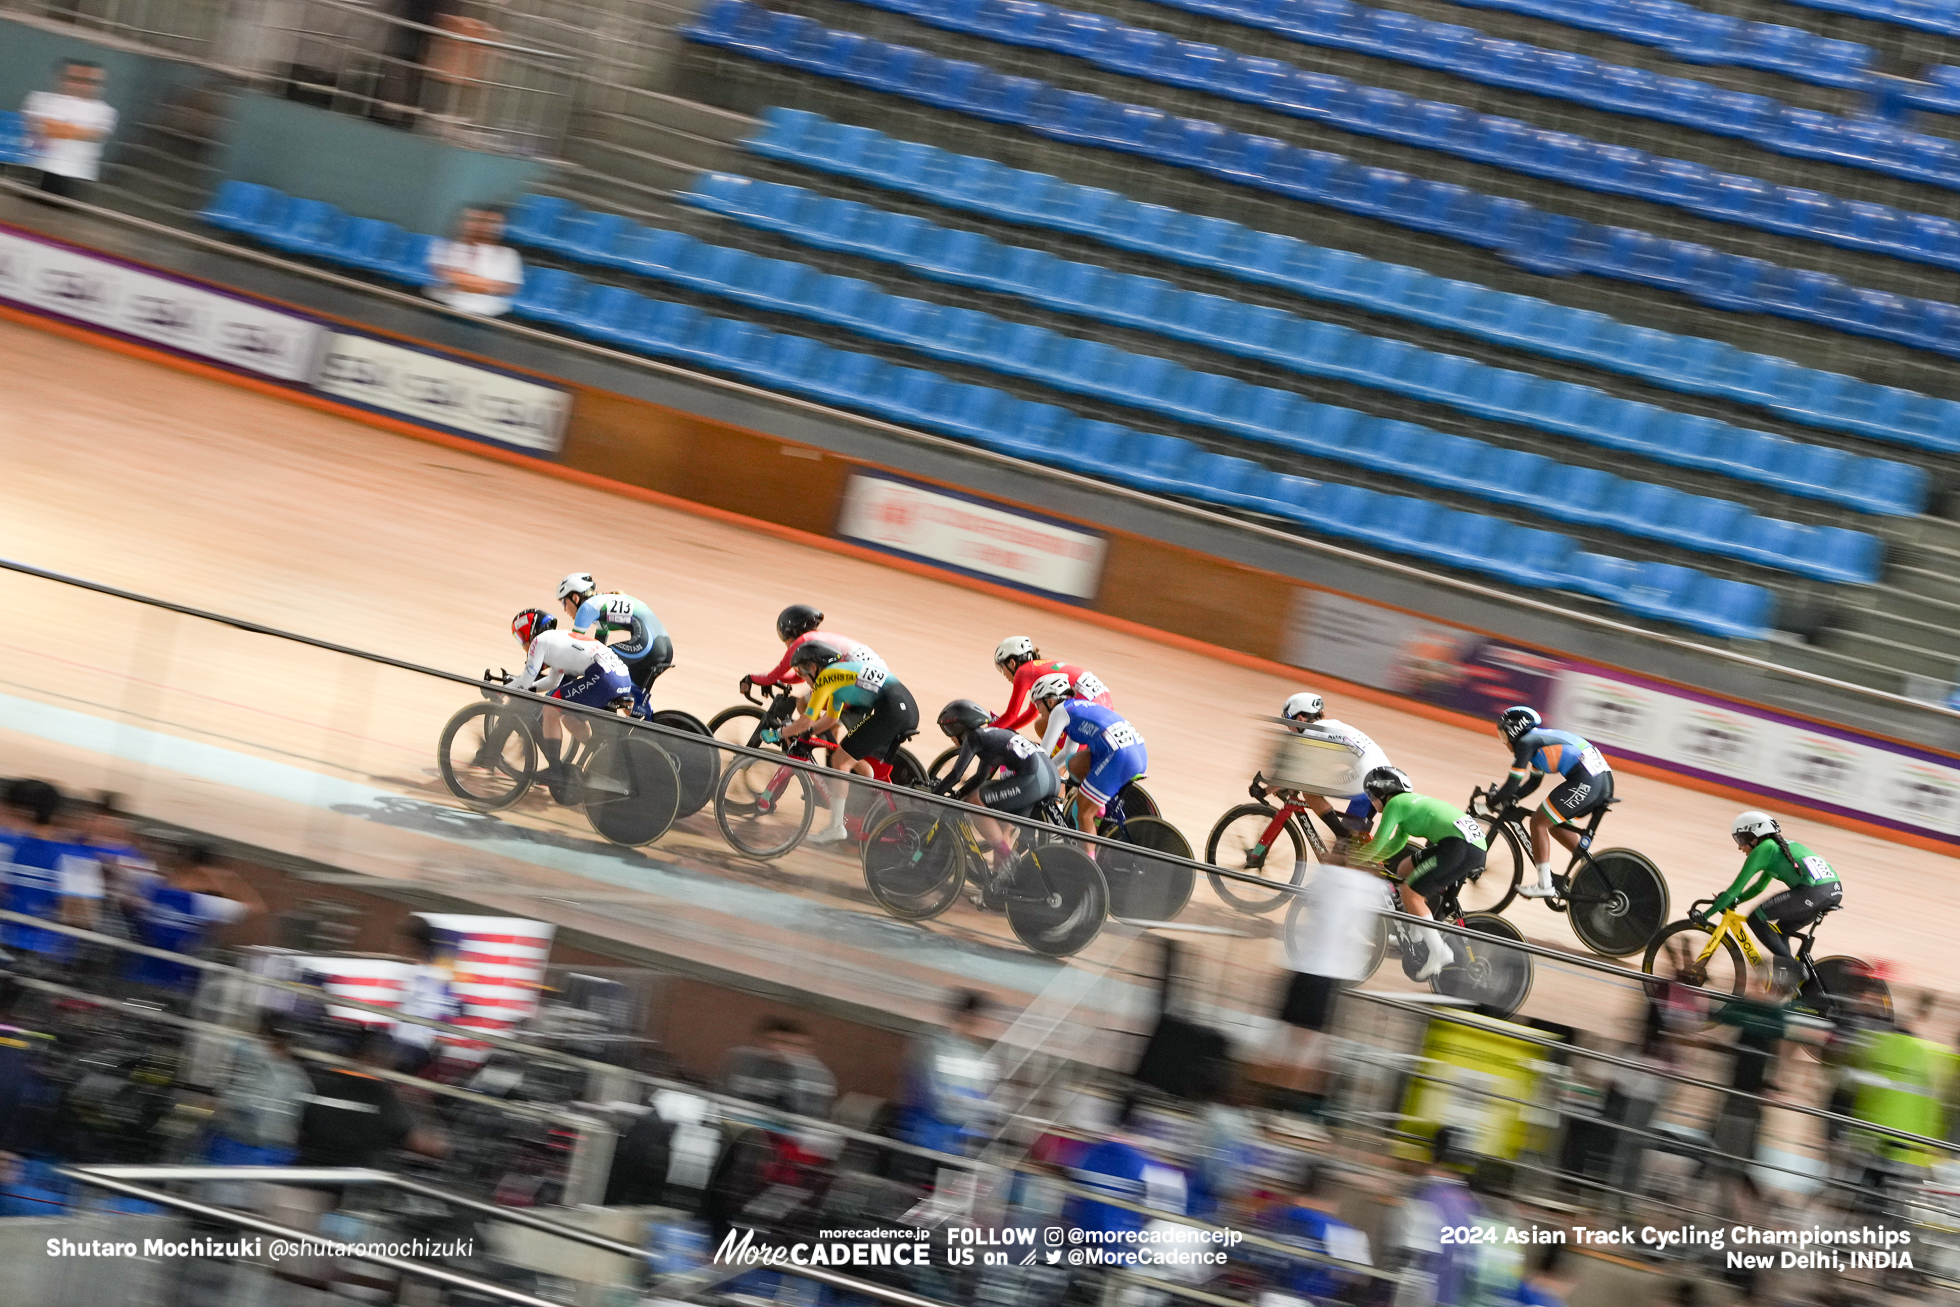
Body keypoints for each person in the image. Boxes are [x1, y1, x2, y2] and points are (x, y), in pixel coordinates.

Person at [1264, 853, 1382, 1126]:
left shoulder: (1328, 876)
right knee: (1310, 1046)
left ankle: (1288, 1105)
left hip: (1310, 969)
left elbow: (1312, 899)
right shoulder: (1365, 884)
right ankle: (1298, 1108)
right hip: (1325, 974)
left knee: (1296, 1044)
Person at [1350, 766, 1484, 982]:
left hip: (1460, 846)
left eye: (1370, 796)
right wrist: (1373, 860)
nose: (1371, 801)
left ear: (1381, 793)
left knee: (1410, 893)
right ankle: (1415, 934)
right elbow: (1396, 843)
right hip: (1465, 844)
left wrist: (1350, 861)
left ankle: (1440, 951)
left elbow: (1379, 842)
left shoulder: (1395, 804)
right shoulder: (1408, 803)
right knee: (1404, 868)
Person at [779, 637, 917, 844]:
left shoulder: (827, 677)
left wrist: (780, 733)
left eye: (801, 672)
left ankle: (836, 827)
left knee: (841, 761)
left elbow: (806, 719)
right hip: (899, 707)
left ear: (813, 667)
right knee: (852, 758)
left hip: (893, 709)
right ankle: (863, 812)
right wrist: (809, 733)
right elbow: (831, 719)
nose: (803, 679)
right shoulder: (837, 677)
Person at [1707, 812, 1843, 1001]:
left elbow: (1735, 888)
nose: (1739, 846)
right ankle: (1783, 987)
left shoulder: (1765, 849)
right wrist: (1735, 901)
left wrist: (1705, 915)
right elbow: (1758, 887)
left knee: (1756, 917)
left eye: (1740, 839)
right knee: (1781, 930)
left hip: (1814, 891)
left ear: (1754, 835)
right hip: (1830, 891)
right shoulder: (1777, 847)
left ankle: (1794, 969)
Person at [1481, 706, 1613, 900]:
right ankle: (1591, 870)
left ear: (1515, 730)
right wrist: (1513, 797)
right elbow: (1533, 782)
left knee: (1538, 822)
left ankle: (1545, 884)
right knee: (1554, 825)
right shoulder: (1537, 741)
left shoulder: (1527, 742)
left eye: (1504, 735)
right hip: (1599, 781)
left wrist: (1492, 799)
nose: (1505, 742)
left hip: (1588, 780)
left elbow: (1512, 783)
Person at [932, 698, 1061, 895]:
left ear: (960, 727)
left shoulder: (975, 737)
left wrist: (935, 795)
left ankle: (1009, 860)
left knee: (975, 803)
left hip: (1034, 778)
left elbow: (956, 774)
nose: (951, 739)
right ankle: (1000, 888)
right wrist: (958, 794)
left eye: (949, 733)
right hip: (1048, 777)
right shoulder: (992, 737)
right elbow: (980, 777)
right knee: (1003, 827)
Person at [509, 606, 636, 801]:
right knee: (567, 715)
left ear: (528, 631)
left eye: (519, 638)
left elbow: (526, 681)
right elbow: (551, 682)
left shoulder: (538, 642)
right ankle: (599, 751)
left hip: (604, 676)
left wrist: (504, 688)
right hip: (621, 678)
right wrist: (526, 687)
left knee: (550, 708)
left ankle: (555, 770)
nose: (521, 644)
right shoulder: (556, 641)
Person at [119, 832, 263, 995]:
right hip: (167, 985)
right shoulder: (201, 904)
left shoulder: (152, 889)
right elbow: (256, 906)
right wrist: (229, 880)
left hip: (146, 980)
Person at [1257, 691, 1393, 840]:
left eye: (1289, 721)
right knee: (1347, 852)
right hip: (1382, 778)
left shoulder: (1311, 732)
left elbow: (1291, 771)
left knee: (1309, 791)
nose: (1289, 728)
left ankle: (1343, 836)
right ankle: (1347, 839)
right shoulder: (1329, 727)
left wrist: (1264, 791)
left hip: (1367, 779)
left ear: (1301, 718)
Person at [0, 780, 104, 966]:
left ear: (22, 812)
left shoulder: (6, 843)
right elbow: (83, 920)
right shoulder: (79, 857)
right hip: (45, 957)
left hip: (35, 955)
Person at [1034, 674, 1147, 838]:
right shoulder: (1077, 707)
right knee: (1073, 763)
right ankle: (1100, 806)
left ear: (1050, 701)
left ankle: (1086, 861)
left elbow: (1042, 754)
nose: (1039, 712)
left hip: (1119, 756)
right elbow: (1068, 752)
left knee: (1082, 813)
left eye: (1038, 705)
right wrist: (1051, 769)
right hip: (1135, 752)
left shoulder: (1059, 711)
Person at [895, 989, 999, 1157]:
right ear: (968, 1017)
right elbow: (930, 1097)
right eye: (983, 1019)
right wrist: (968, 1106)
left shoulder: (981, 1057)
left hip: (962, 1142)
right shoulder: (931, 1045)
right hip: (926, 1137)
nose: (988, 1026)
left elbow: (986, 1100)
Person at [556, 571, 673, 718]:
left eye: (563, 603)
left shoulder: (587, 608)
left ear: (575, 597)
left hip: (651, 645)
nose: (565, 609)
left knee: (604, 666)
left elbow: (573, 645)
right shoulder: (600, 604)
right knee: (627, 690)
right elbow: (598, 643)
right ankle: (644, 726)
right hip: (662, 647)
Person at [1257, 1157, 1372, 1303]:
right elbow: (1359, 1278)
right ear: (1332, 1193)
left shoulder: (1274, 1215)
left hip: (1269, 1298)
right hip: (1308, 1301)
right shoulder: (1340, 1231)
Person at [206, 1012, 312, 1168]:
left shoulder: (276, 1073)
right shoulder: (299, 1077)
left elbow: (246, 1105)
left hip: (246, 1151)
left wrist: (219, 1104)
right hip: (270, 1154)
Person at [21, 61, 116, 201]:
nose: (84, 85)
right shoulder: (39, 99)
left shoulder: (106, 111)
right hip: (36, 170)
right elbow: (39, 127)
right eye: (76, 79)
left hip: (76, 179)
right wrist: (77, 131)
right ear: (61, 78)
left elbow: (95, 135)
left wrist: (53, 127)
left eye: (91, 81)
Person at [742, 604, 884, 695]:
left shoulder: (803, 641)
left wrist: (752, 678)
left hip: (863, 678)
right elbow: (801, 677)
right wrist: (774, 680)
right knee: (829, 718)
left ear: (794, 631)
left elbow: (773, 675)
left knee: (804, 705)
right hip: (875, 674)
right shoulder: (817, 639)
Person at [988, 636, 1110, 737]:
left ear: (1012, 663)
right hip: (1103, 703)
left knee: (1048, 725)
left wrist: (986, 731)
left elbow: (1011, 715)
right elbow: (1032, 713)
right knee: (1043, 724)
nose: (1004, 674)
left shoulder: (1023, 672)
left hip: (1090, 703)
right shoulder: (1038, 669)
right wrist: (1005, 728)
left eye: (1002, 668)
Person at [722, 1015, 837, 1119]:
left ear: (808, 1049)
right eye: (774, 1041)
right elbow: (725, 1102)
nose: (780, 1048)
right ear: (760, 1041)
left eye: (794, 1045)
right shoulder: (743, 1062)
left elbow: (811, 1122)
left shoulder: (819, 1077)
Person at [426, 206, 524, 317]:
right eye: (474, 220)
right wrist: (486, 284)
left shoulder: (509, 255)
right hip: (444, 309)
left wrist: (461, 279)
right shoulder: (443, 246)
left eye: (492, 223)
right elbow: (443, 275)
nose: (483, 226)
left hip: (488, 317)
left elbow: (506, 288)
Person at [393, 917, 460, 1076]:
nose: (396, 945)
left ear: (414, 943)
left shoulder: (433, 978)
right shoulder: (411, 972)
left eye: (401, 940)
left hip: (410, 1049)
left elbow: (439, 1024)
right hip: (399, 1045)